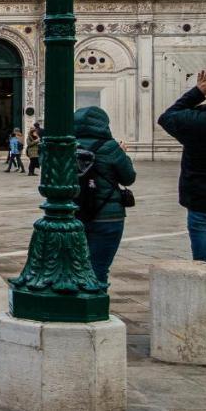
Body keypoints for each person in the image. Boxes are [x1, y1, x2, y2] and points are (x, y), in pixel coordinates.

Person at [74, 105, 136, 284]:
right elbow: (128, 178)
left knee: (76, 267)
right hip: (108, 216)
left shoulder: (67, 145)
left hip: (74, 214)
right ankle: (96, 306)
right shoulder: (111, 147)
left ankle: (79, 305)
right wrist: (123, 154)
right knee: (99, 268)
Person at [156, 69, 206, 262]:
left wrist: (197, 92)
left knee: (203, 264)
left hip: (200, 199)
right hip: (199, 199)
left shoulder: (198, 121)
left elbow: (167, 117)